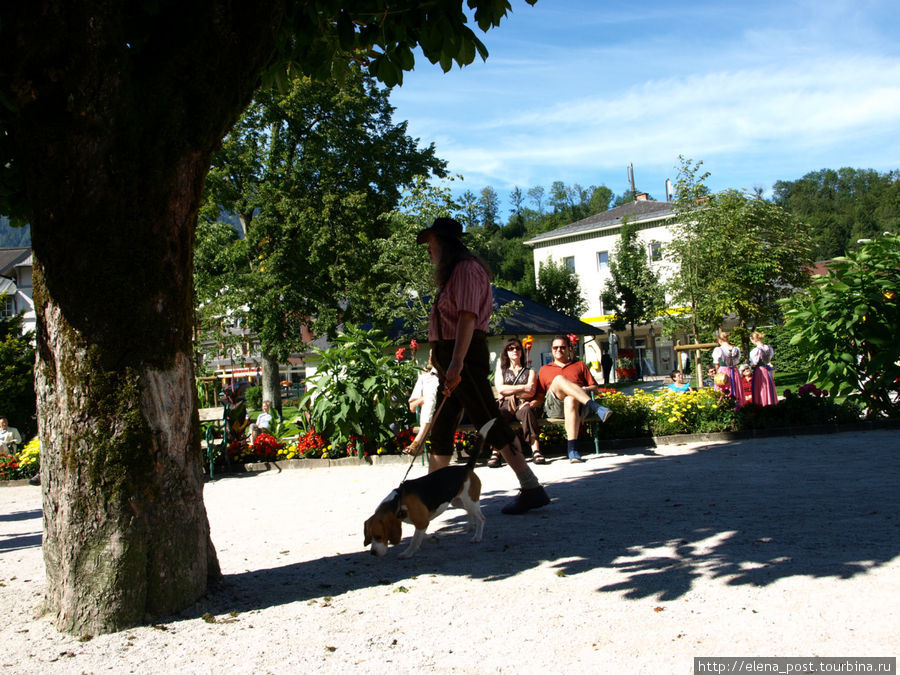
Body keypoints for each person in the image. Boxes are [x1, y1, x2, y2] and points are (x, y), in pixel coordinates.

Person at [417, 217, 550, 515]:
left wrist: (456, 363)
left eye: (431, 242)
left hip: (462, 357)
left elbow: (467, 318)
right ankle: (433, 493)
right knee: (442, 425)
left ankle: (531, 488)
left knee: (489, 421)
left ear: (445, 242)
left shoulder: (465, 270)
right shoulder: (454, 272)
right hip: (453, 359)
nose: (428, 249)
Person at [534, 335, 612, 464]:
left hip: (579, 407)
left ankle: (572, 451)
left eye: (562, 347)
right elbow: (541, 395)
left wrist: (583, 389)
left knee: (570, 399)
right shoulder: (544, 369)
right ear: (552, 350)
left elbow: (595, 388)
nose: (558, 350)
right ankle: (596, 407)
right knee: (559, 379)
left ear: (569, 348)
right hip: (555, 407)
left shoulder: (579, 365)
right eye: (555, 347)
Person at [491, 337, 545, 467]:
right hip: (506, 405)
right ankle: (496, 452)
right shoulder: (501, 372)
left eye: (517, 348)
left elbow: (531, 392)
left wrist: (511, 390)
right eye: (511, 348)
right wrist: (522, 387)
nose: (514, 350)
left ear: (521, 351)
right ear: (506, 353)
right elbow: (501, 389)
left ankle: (535, 450)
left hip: (523, 404)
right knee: (499, 414)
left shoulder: (530, 371)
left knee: (528, 411)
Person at [405, 354, 441, 455]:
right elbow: (412, 407)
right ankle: (419, 442)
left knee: (430, 397)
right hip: (432, 416)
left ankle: (418, 443)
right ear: (430, 359)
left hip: (449, 414)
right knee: (430, 398)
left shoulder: (452, 376)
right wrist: (425, 398)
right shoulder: (424, 378)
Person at [712, 332, 742, 408]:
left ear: (719, 340)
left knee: (723, 389)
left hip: (723, 371)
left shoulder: (718, 349)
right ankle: (737, 406)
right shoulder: (736, 349)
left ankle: (724, 407)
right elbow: (737, 361)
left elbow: (717, 363)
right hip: (734, 371)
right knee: (735, 388)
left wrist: (717, 373)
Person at [749, 331, 778, 407]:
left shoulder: (756, 351)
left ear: (753, 339)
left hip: (760, 371)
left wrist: (750, 365)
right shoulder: (769, 348)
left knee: (761, 388)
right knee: (769, 386)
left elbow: (754, 363)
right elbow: (769, 358)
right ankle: (770, 402)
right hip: (767, 370)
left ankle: (762, 404)